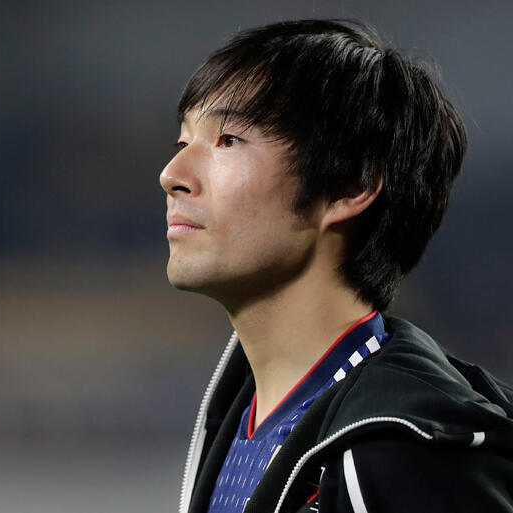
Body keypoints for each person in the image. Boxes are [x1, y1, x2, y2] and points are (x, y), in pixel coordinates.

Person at [160, 19, 513, 513]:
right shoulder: (241, 419)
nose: (171, 175)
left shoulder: (407, 456)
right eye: (183, 143)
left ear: (350, 186)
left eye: (228, 140)